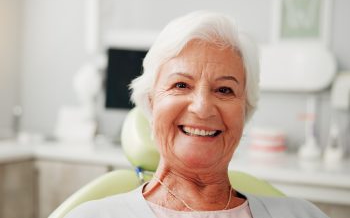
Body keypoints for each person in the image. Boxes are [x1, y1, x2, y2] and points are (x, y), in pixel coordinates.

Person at [65, 11, 328, 218]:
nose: (202, 107)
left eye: (224, 90)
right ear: (151, 102)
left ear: (245, 110)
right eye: (181, 85)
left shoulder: (303, 214)